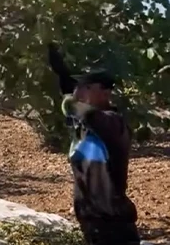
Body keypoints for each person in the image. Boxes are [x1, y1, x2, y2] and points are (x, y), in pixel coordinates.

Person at [48, 44, 142, 245]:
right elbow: (76, 105)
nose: (79, 91)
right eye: (79, 86)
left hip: (114, 224)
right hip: (92, 221)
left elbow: (82, 111)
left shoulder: (113, 124)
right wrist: (60, 68)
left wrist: (69, 99)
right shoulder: (84, 126)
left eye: (86, 87)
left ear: (105, 92)